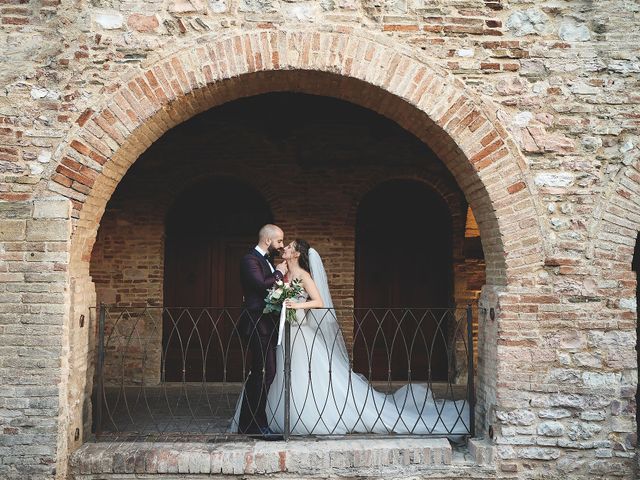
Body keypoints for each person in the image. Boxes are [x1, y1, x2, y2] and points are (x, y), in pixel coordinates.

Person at [265, 239, 471, 436]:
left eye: (289, 246)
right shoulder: (283, 273)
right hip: (286, 332)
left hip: (300, 330)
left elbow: (318, 301)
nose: (285, 248)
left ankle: (308, 416)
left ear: (297, 253)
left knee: (305, 374)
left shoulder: (303, 275)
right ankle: (285, 415)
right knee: (287, 373)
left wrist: (296, 305)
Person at [236, 224, 287, 439]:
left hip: (267, 325)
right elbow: (260, 285)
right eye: (279, 241)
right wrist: (279, 273)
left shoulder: (266, 260)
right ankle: (254, 426)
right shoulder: (250, 259)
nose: (281, 246)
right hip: (257, 324)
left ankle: (253, 424)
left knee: (265, 373)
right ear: (268, 240)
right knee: (262, 373)